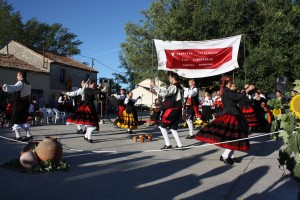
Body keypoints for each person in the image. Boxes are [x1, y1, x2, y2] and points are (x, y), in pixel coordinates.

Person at [195, 77, 255, 165]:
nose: (232, 83)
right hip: (231, 114)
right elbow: (236, 97)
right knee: (233, 137)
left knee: (235, 137)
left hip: (234, 113)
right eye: (230, 81)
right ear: (227, 82)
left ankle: (231, 156)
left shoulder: (228, 91)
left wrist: (246, 89)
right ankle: (224, 156)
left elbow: (238, 96)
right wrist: (247, 89)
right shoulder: (227, 91)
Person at [151, 72, 183, 149]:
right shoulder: (180, 87)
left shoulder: (174, 86)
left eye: (170, 77)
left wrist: (155, 86)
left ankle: (168, 144)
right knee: (173, 128)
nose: (169, 79)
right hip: (177, 109)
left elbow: (165, 93)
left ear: (173, 78)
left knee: (162, 126)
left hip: (172, 109)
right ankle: (179, 145)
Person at [2, 71, 33, 141]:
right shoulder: (29, 84)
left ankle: (18, 136)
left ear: (21, 76)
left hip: (19, 104)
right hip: (26, 104)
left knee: (15, 119)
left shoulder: (20, 83)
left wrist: (3, 86)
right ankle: (29, 135)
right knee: (23, 120)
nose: (17, 77)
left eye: (17, 75)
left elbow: (14, 87)